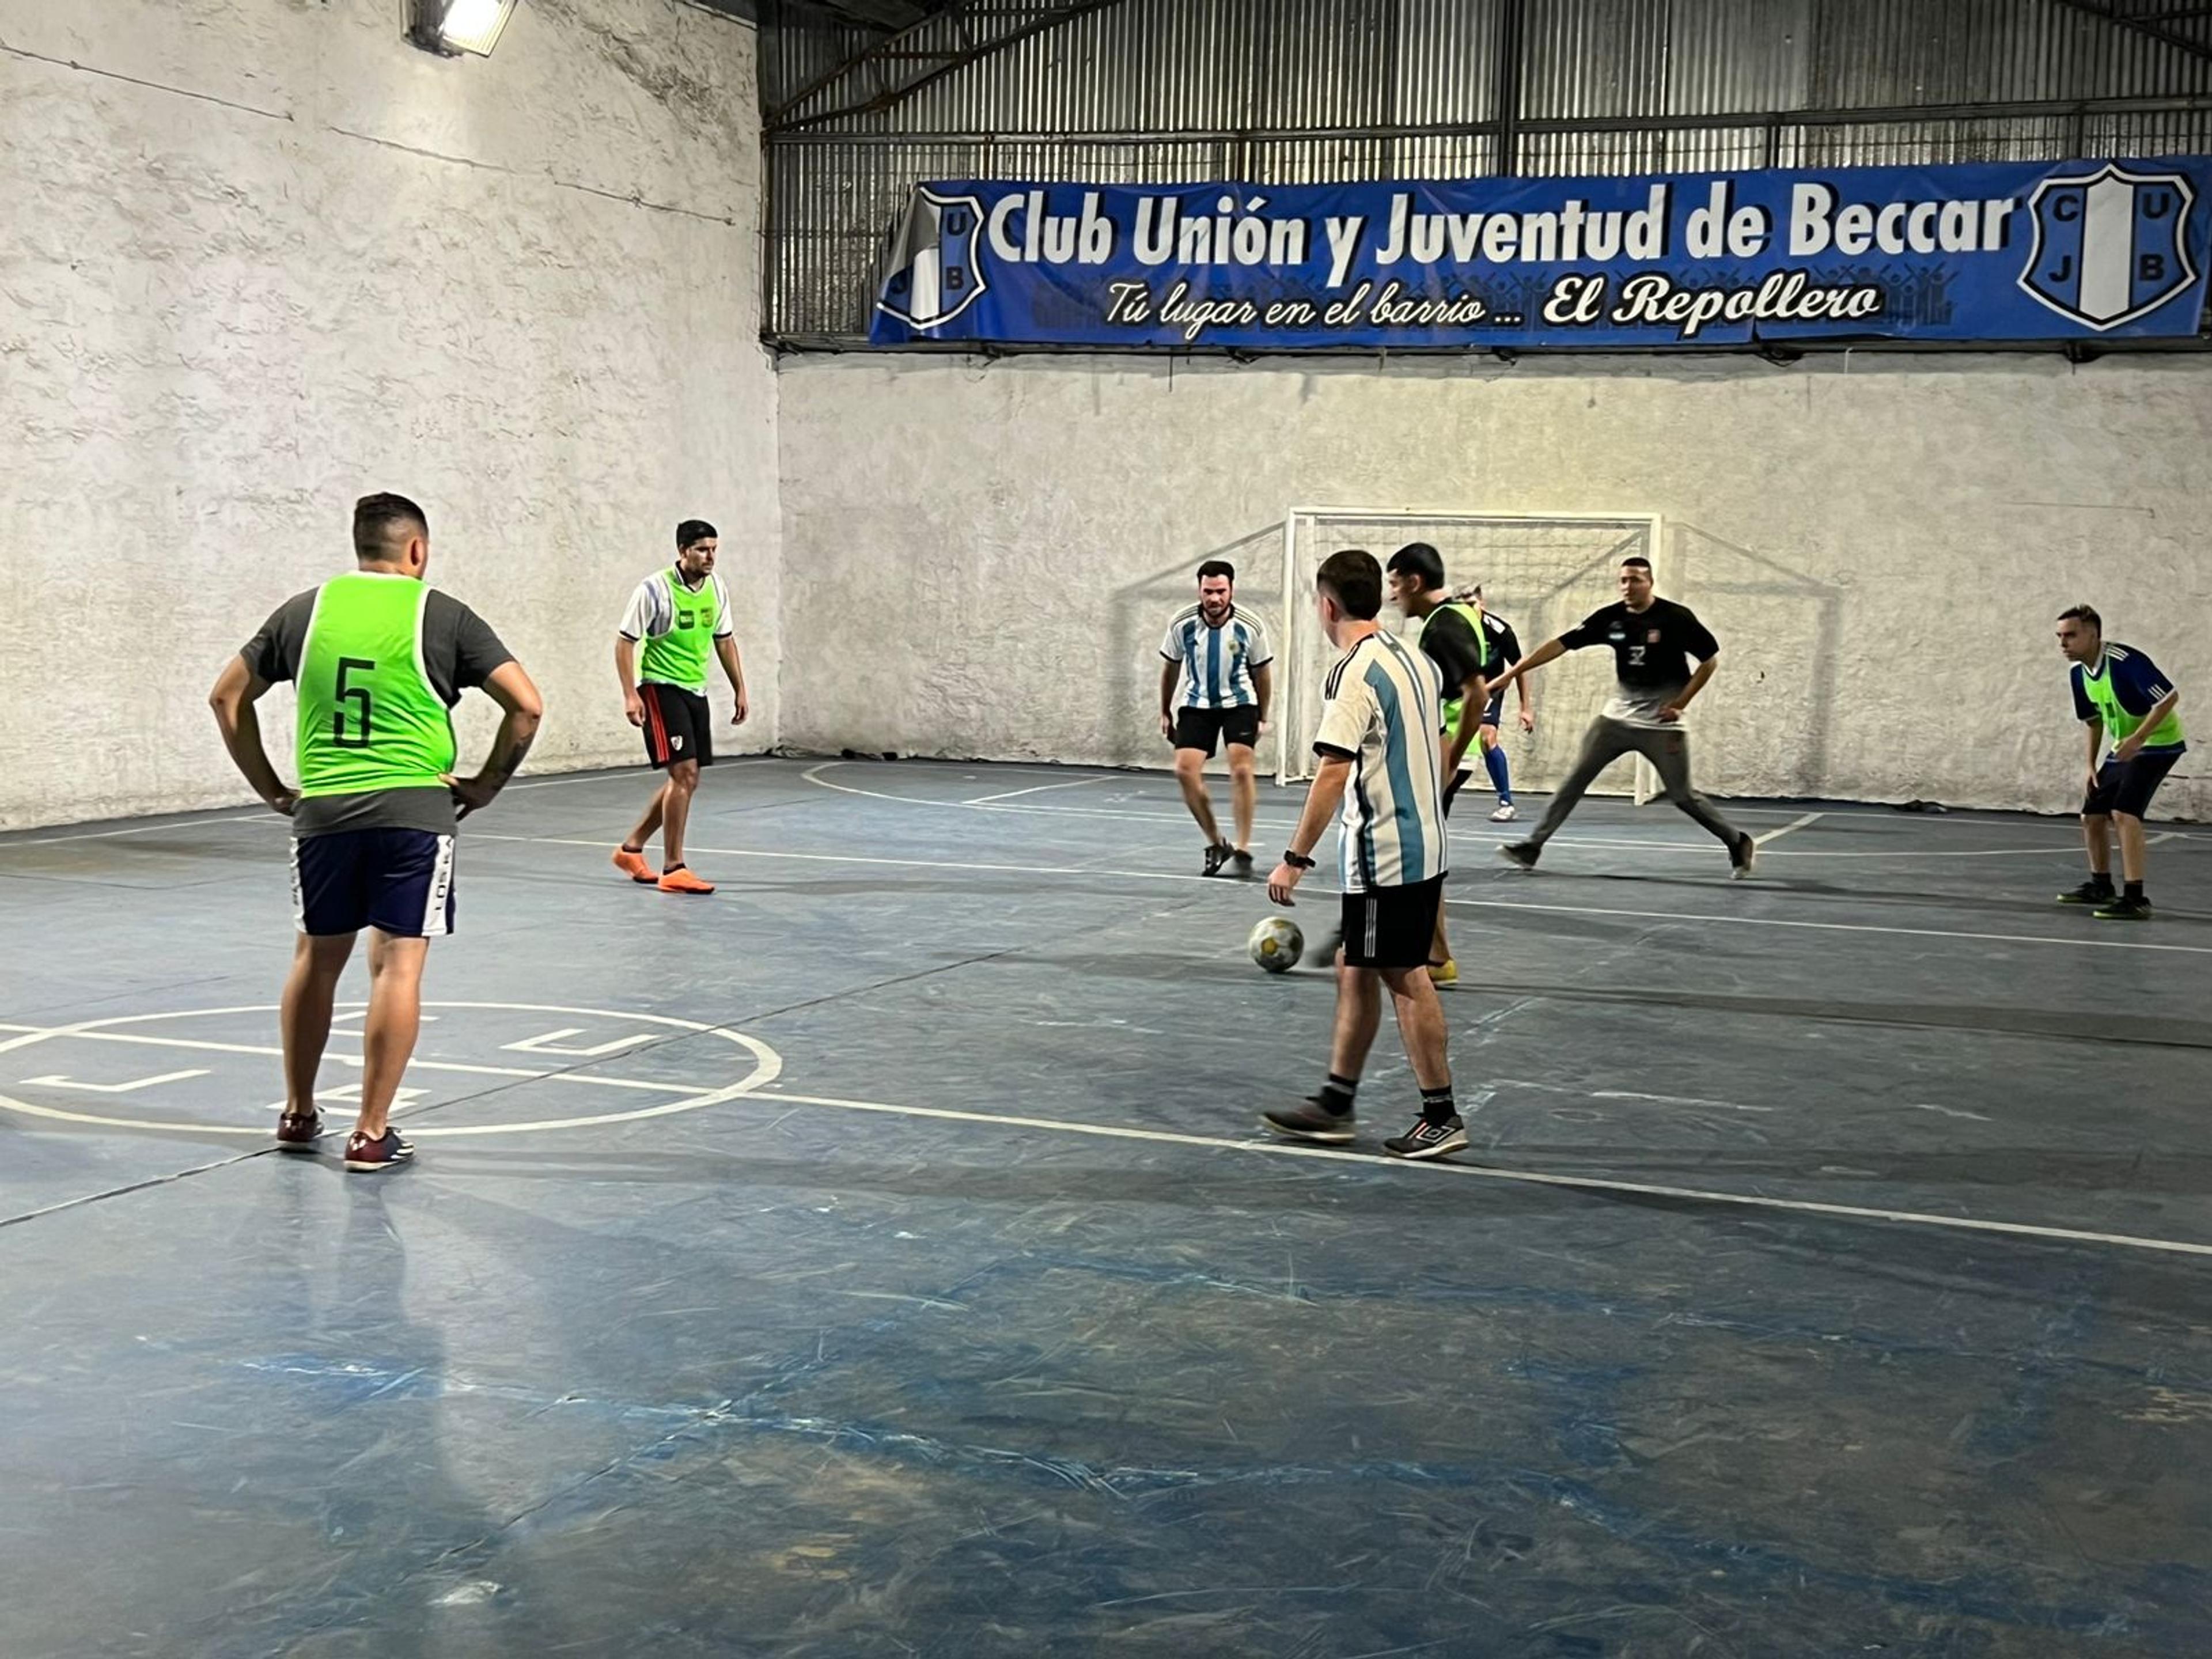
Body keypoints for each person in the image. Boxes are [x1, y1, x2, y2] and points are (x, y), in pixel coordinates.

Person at [208, 493, 542, 1172]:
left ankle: (299, 1114)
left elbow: (226, 695)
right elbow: (527, 707)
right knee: (399, 963)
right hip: (414, 812)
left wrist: (271, 788)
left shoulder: (305, 611)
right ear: (415, 549)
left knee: (315, 959)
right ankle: (371, 1131)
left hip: (324, 811)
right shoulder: (441, 614)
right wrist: (485, 784)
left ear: (360, 546)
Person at [1262, 550, 1465, 1160]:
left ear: (1327, 604)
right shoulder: (1416, 659)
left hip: (1385, 851)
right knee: (1356, 963)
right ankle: (1337, 1100)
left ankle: (1441, 1115)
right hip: (1425, 841)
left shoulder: (1353, 674)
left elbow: (1331, 772)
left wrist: (1294, 858)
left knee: (1405, 976)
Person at [1488, 556, 1756, 879]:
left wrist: (1681, 702)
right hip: (1615, 721)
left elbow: (1709, 663)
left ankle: (1736, 841)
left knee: (1682, 795)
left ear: (1650, 583)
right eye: (1624, 581)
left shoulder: (1675, 618)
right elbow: (1561, 644)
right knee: (1575, 780)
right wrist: (1512, 674)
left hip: (1661, 723)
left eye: (1636, 580)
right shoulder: (1610, 619)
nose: (1629, 587)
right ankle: (1533, 845)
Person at [612, 520, 749, 895]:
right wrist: (630, 694)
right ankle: (673, 867)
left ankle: (631, 849)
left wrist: (740, 688)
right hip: (660, 688)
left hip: (695, 690)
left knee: (686, 779)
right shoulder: (654, 590)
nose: (710, 557)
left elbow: (725, 641)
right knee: (684, 774)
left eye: (715, 550)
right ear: (683, 550)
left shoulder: (717, 588)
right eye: (703, 550)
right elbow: (625, 643)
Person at [1385, 544, 1490, 985]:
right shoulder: (1459, 617)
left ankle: (1430, 952)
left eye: (1394, 583)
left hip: (1445, 750)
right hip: (1442, 748)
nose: (1392, 596)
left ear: (1414, 582)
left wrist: (1451, 756)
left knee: (1415, 851)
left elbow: (1478, 694)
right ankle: (1435, 953)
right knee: (1421, 848)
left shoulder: (1444, 626)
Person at [2055, 604, 2185, 921]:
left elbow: (2168, 697)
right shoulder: (2079, 675)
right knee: (2092, 815)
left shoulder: (2125, 662)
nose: (2063, 644)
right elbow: (2094, 722)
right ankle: (2101, 885)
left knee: (2124, 813)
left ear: (2093, 634)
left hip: (2158, 744)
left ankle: (2136, 898)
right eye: (2059, 636)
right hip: (2123, 748)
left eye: (2070, 635)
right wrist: (2090, 765)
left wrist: (2138, 739)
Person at [1158, 559, 1273, 876]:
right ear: (1199, 590)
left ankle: (1244, 846)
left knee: (1241, 769)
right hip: (1197, 703)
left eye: (1221, 591)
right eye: (1208, 592)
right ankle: (1216, 841)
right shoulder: (1182, 623)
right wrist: (1165, 709)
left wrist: (1263, 715)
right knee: (1184, 771)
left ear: (1232, 590)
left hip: (1240, 702)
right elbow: (1171, 666)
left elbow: (1262, 672)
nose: (1214, 599)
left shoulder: (1251, 625)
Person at [1454, 583, 1535, 821]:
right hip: (1460, 689)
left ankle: (1506, 802)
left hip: (1491, 689)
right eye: (1462, 608)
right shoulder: (1452, 630)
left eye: (1471, 605)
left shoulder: (1500, 631)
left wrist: (1526, 708)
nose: (1468, 612)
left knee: (1487, 737)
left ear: (1482, 604)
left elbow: (1521, 668)